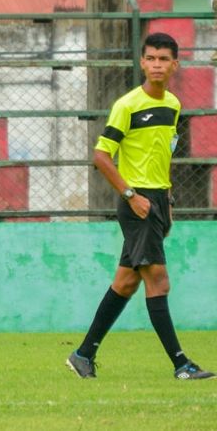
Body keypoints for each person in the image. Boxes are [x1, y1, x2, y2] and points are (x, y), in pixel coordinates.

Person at [66, 33, 214, 381]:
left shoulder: (174, 105)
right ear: (142, 63)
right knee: (159, 282)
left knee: (125, 283)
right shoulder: (127, 105)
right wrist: (131, 195)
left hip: (159, 200)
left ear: (175, 64)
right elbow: (101, 156)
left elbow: (162, 157)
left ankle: (83, 354)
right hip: (138, 202)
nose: (157, 65)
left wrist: (169, 202)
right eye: (151, 59)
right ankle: (181, 365)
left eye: (164, 59)